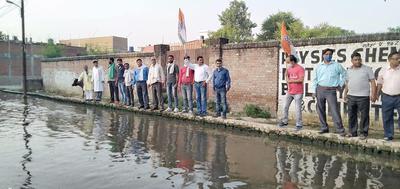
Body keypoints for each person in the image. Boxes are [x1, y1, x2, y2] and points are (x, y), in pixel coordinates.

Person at [312, 48, 347, 136]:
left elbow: (345, 74)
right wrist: (314, 91)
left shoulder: (336, 65)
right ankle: (324, 128)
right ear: (323, 55)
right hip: (320, 89)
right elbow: (315, 79)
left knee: (334, 110)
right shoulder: (319, 66)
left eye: (330, 54)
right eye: (326, 54)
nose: (328, 56)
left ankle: (340, 129)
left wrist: (340, 84)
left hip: (331, 90)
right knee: (320, 110)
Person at [343, 52, 377, 139]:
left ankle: (363, 133)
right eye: (355, 60)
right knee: (351, 115)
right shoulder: (349, 70)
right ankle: (352, 132)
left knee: (364, 115)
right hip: (351, 96)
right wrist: (345, 93)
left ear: (361, 60)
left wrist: (373, 94)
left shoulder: (367, 69)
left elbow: (373, 82)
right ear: (352, 61)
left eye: (359, 59)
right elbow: (347, 83)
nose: (357, 61)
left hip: (363, 96)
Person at [376, 51, 400, 141]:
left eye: (399, 58)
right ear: (390, 60)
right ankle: (389, 135)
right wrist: (377, 95)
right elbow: (379, 83)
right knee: (387, 117)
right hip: (386, 96)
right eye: (397, 59)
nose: (399, 60)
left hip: (399, 96)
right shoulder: (383, 70)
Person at [278, 55, 305, 131]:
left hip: (298, 92)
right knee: (285, 107)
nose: (287, 64)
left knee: (297, 109)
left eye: (288, 62)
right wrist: (286, 75)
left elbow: (301, 79)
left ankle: (299, 124)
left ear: (293, 61)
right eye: (286, 62)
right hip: (290, 91)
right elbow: (287, 77)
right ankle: (285, 121)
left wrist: (291, 81)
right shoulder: (289, 69)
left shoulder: (300, 68)